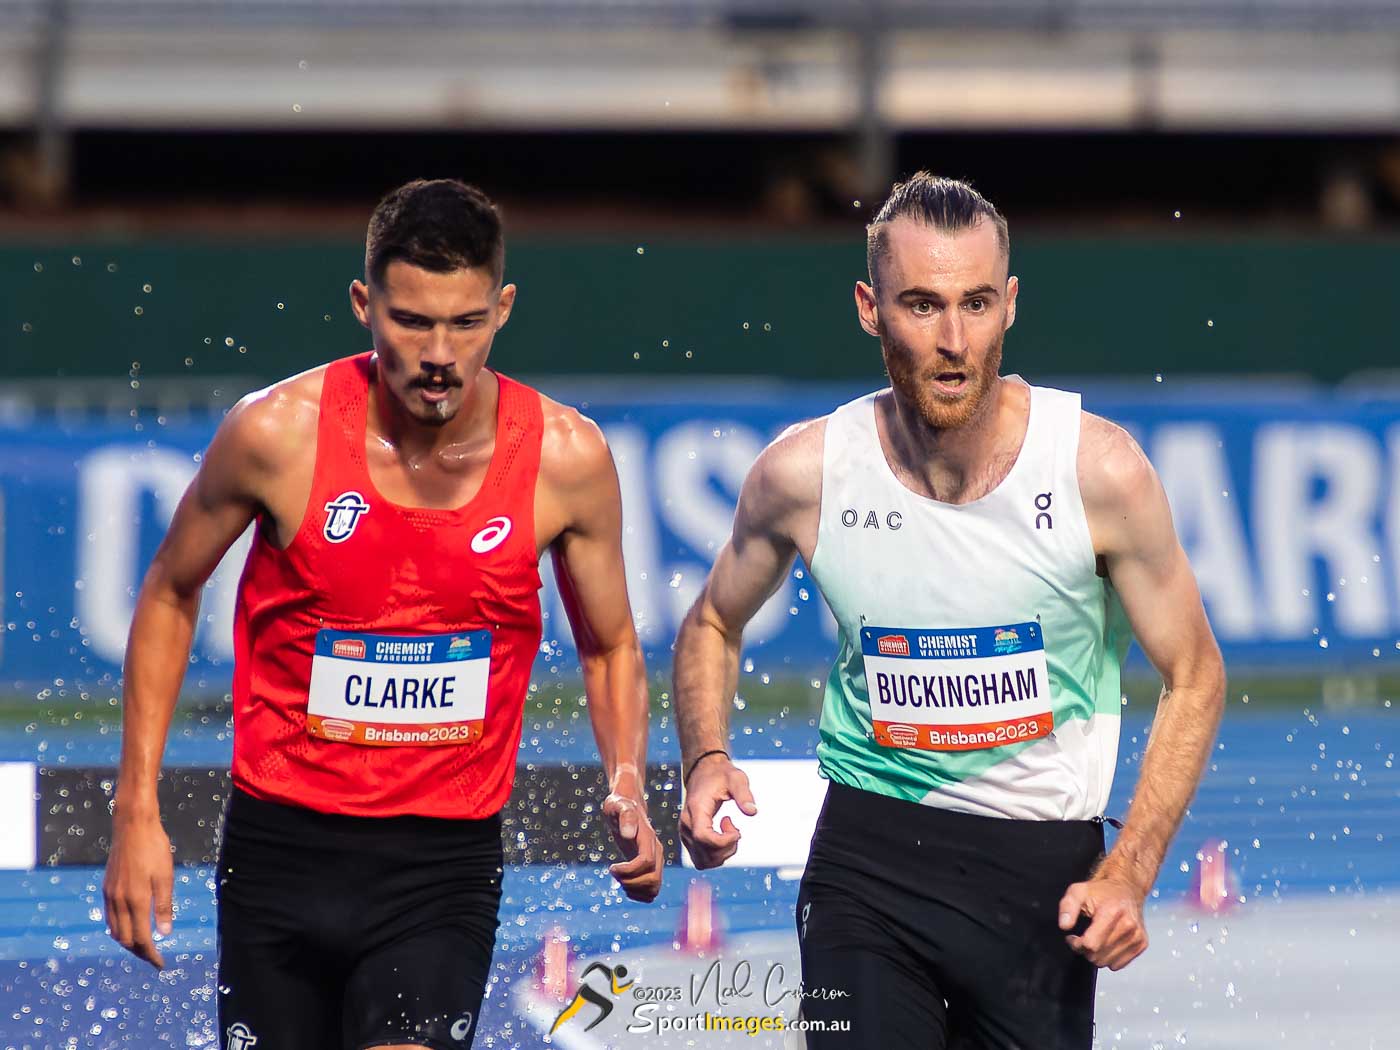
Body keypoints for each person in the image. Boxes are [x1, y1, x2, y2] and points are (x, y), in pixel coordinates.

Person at [102, 178, 663, 1050]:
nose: (439, 353)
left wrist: (625, 779)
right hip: (278, 852)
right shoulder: (274, 435)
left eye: (466, 323)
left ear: (503, 309)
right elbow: (171, 594)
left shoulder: (565, 457)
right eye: (412, 321)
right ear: (364, 305)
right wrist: (137, 811)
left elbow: (612, 644)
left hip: (441, 869)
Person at [675, 172, 1225, 1048]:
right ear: (869, 307)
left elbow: (1195, 675)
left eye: (976, 304)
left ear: (1010, 304)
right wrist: (706, 755)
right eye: (922, 306)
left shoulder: (1099, 473)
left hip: (1042, 885)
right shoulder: (803, 473)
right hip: (866, 862)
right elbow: (710, 620)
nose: (954, 341)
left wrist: (1132, 870)